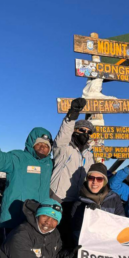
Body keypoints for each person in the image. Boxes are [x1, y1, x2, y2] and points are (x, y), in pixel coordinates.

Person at [0, 126, 53, 235]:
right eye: (39, 144)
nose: (43, 147)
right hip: (15, 216)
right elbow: (0, 160)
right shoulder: (18, 158)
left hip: (39, 216)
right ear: (32, 144)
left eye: (46, 145)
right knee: (12, 248)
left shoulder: (50, 164)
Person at [50, 98, 95, 246]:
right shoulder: (64, 148)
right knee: (52, 233)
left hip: (77, 200)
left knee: (71, 236)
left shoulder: (88, 154)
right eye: (82, 130)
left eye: (88, 132)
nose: (85, 133)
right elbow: (63, 136)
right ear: (74, 131)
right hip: (59, 198)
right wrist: (72, 115)